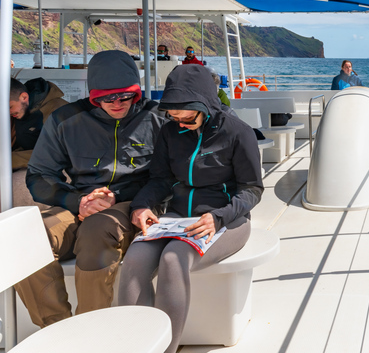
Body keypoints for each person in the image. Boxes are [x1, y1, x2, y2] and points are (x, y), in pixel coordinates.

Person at [118, 64, 263, 353]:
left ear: (206, 105)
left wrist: (217, 217)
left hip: (226, 219)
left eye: (187, 117)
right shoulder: (171, 132)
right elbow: (160, 179)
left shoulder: (238, 133)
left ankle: (167, 349)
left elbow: (252, 189)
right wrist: (142, 205)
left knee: (174, 258)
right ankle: (136, 346)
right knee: (135, 259)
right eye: (173, 117)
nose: (180, 123)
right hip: (177, 216)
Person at [16, 50, 166, 328]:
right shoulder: (65, 120)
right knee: (26, 237)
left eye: (126, 96)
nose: (118, 103)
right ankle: (58, 330)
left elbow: (170, 177)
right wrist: (78, 202)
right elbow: (39, 175)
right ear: (93, 95)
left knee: (97, 230)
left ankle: (90, 331)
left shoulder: (159, 119)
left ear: (138, 91)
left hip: (135, 203)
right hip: (79, 202)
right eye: (107, 97)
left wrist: (116, 198)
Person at [10, 77, 68, 171]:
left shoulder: (59, 111)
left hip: (61, 170)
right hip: (35, 165)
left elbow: (58, 154)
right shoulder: (24, 110)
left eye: (10, 107)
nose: (9, 112)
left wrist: (10, 159)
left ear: (24, 97)